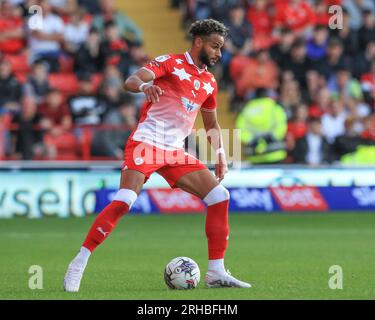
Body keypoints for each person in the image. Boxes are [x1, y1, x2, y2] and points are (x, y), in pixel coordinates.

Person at [63, 19, 251, 292]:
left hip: (174, 152)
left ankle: (216, 272)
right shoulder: (170, 63)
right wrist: (144, 87)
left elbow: (211, 125)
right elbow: (131, 80)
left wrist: (221, 156)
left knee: (219, 196)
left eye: (220, 48)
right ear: (198, 42)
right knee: (125, 200)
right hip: (146, 144)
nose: (218, 53)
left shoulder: (209, 82)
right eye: (215, 46)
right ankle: (79, 262)